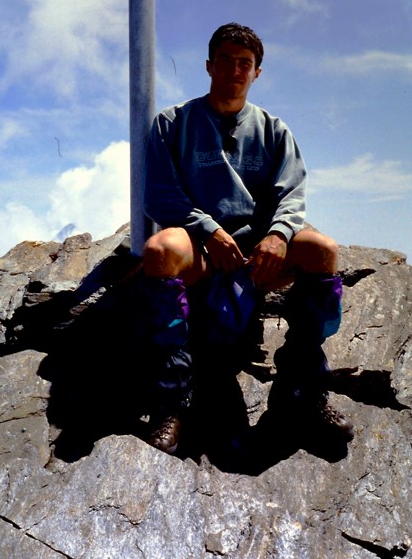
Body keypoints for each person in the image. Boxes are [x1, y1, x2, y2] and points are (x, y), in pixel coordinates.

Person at [140, 22, 354, 455]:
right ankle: (172, 403)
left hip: (258, 253)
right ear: (209, 66)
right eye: (226, 60)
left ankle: (302, 391)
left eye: (245, 63)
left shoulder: (273, 129)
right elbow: (160, 194)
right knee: (159, 251)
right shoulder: (173, 123)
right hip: (200, 247)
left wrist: (277, 235)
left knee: (323, 251)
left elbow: (292, 193)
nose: (235, 70)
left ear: (257, 72)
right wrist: (209, 230)